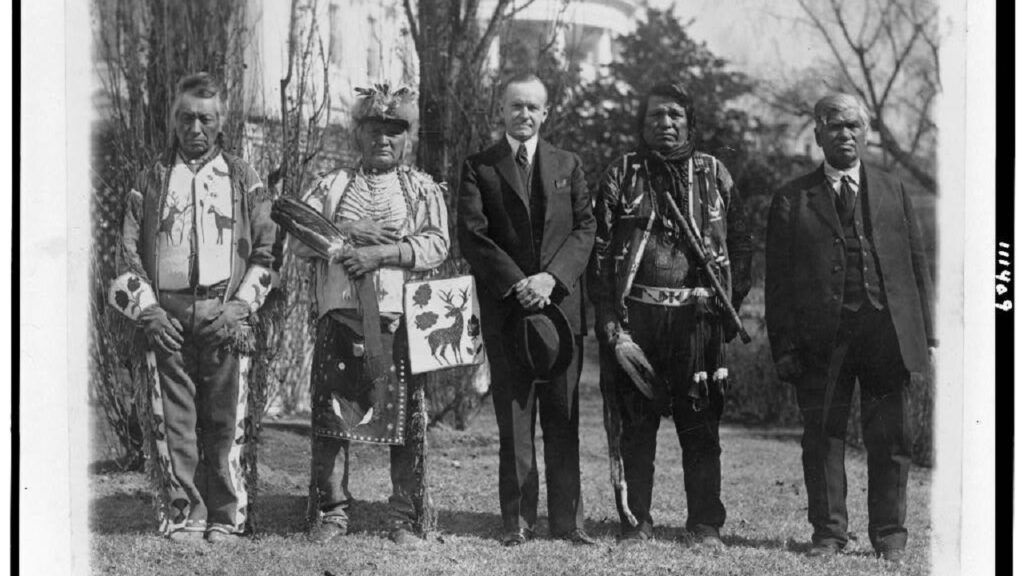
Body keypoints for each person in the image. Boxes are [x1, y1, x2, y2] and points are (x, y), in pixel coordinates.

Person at [109, 72, 281, 543]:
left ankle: (227, 517)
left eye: (205, 118)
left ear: (221, 121)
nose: (196, 128)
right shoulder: (151, 179)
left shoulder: (244, 179)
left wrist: (241, 307)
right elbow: (125, 257)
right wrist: (149, 312)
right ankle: (186, 514)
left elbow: (269, 252)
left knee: (227, 421)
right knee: (176, 420)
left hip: (224, 314)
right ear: (174, 122)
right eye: (186, 118)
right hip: (166, 317)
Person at [765, 93, 935, 563]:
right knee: (822, 437)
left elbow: (917, 266)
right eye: (835, 126)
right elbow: (776, 284)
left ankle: (890, 535)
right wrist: (784, 348)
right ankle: (829, 533)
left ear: (866, 133)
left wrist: (930, 336)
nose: (846, 134)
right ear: (818, 134)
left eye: (854, 126)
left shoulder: (893, 189)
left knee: (892, 438)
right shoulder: (793, 198)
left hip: (887, 335)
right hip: (822, 341)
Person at [587, 82, 753, 548]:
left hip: (698, 319)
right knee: (636, 427)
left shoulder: (715, 174)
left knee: (700, 425)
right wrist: (606, 314)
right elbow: (599, 251)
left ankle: (704, 524)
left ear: (690, 123)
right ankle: (636, 521)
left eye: (675, 115)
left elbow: (741, 243)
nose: (666, 123)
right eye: (656, 115)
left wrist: (730, 304)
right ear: (643, 124)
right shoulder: (623, 173)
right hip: (636, 321)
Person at [288, 84, 450, 548]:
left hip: (398, 325)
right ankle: (332, 513)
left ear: (406, 138)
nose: (384, 139)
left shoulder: (420, 187)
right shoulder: (330, 185)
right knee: (331, 422)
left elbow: (437, 245)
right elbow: (299, 240)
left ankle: (402, 516)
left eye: (394, 131)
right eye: (374, 130)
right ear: (358, 133)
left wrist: (381, 253)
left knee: (403, 424)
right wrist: (344, 234)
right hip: (339, 321)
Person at [458, 74, 597, 546]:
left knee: (563, 417)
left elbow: (586, 229)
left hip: (561, 311)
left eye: (533, 107)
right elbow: (473, 236)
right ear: (502, 110)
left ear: (546, 113)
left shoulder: (568, 164)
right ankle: (517, 521)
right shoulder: (480, 167)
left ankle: (567, 522)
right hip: (509, 312)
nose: (525, 115)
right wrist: (519, 283)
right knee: (515, 421)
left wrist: (551, 278)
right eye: (516, 106)